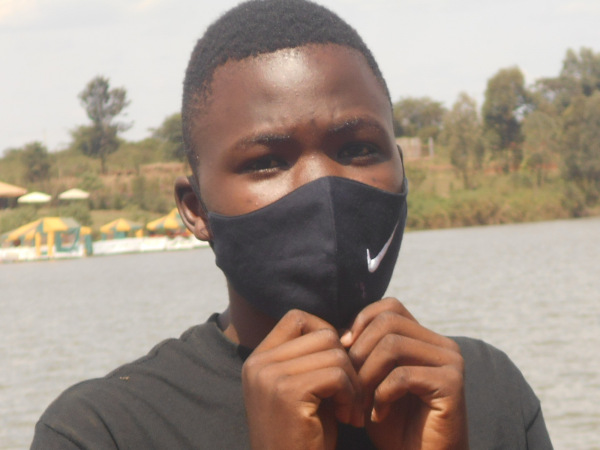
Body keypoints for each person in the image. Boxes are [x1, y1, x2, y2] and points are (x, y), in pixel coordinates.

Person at [32, 1, 553, 448]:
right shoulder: (103, 431)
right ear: (196, 209)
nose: (324, 187)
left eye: (358, 149)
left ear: (401, 169)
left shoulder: (484, 391)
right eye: (266, 162)